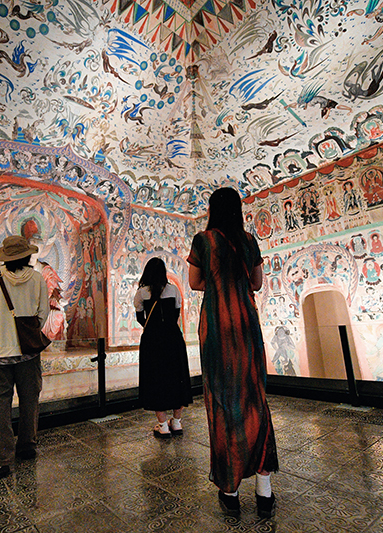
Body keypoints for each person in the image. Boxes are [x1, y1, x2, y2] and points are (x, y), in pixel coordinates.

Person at [187, 187, 278, 518]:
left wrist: (218, 282)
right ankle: (265, 491)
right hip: (246, 324)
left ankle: (230, 491)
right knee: (255, 399)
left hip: (217, 327)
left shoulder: (203, 240)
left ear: (212, 209)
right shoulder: (249, 240)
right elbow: (257, 283)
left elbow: (194, 282)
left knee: (223, 402)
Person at [0, 235, 50, 478]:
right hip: (27, 352)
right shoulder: (37, 278)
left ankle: (0, 460)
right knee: (30, 400)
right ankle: (27, 445)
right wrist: (26, 334)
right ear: (28, 255)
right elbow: (43, 314)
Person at [133, 257, 192, 438]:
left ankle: (163, 425)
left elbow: (140, 318)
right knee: (177, 377)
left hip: (152, 340)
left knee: (156, 379)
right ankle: (177, 422)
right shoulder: (173, 290)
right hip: (173, 338)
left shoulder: (142, 292)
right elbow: (175, 314)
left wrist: (153, 328)